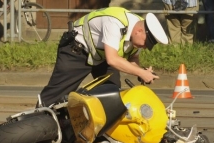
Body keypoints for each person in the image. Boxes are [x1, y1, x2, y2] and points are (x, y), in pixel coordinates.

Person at [37, 7, 168, 107]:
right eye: (146, 43)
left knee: (111, 96)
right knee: (56, 96)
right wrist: (140, 72)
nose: (144, 47)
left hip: (102, 56)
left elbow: (132, 58)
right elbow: (112, 59)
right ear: (139, 31)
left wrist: (142, 72)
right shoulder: (115, 22)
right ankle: (35, 123)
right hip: (77, 50)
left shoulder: (138, 32)